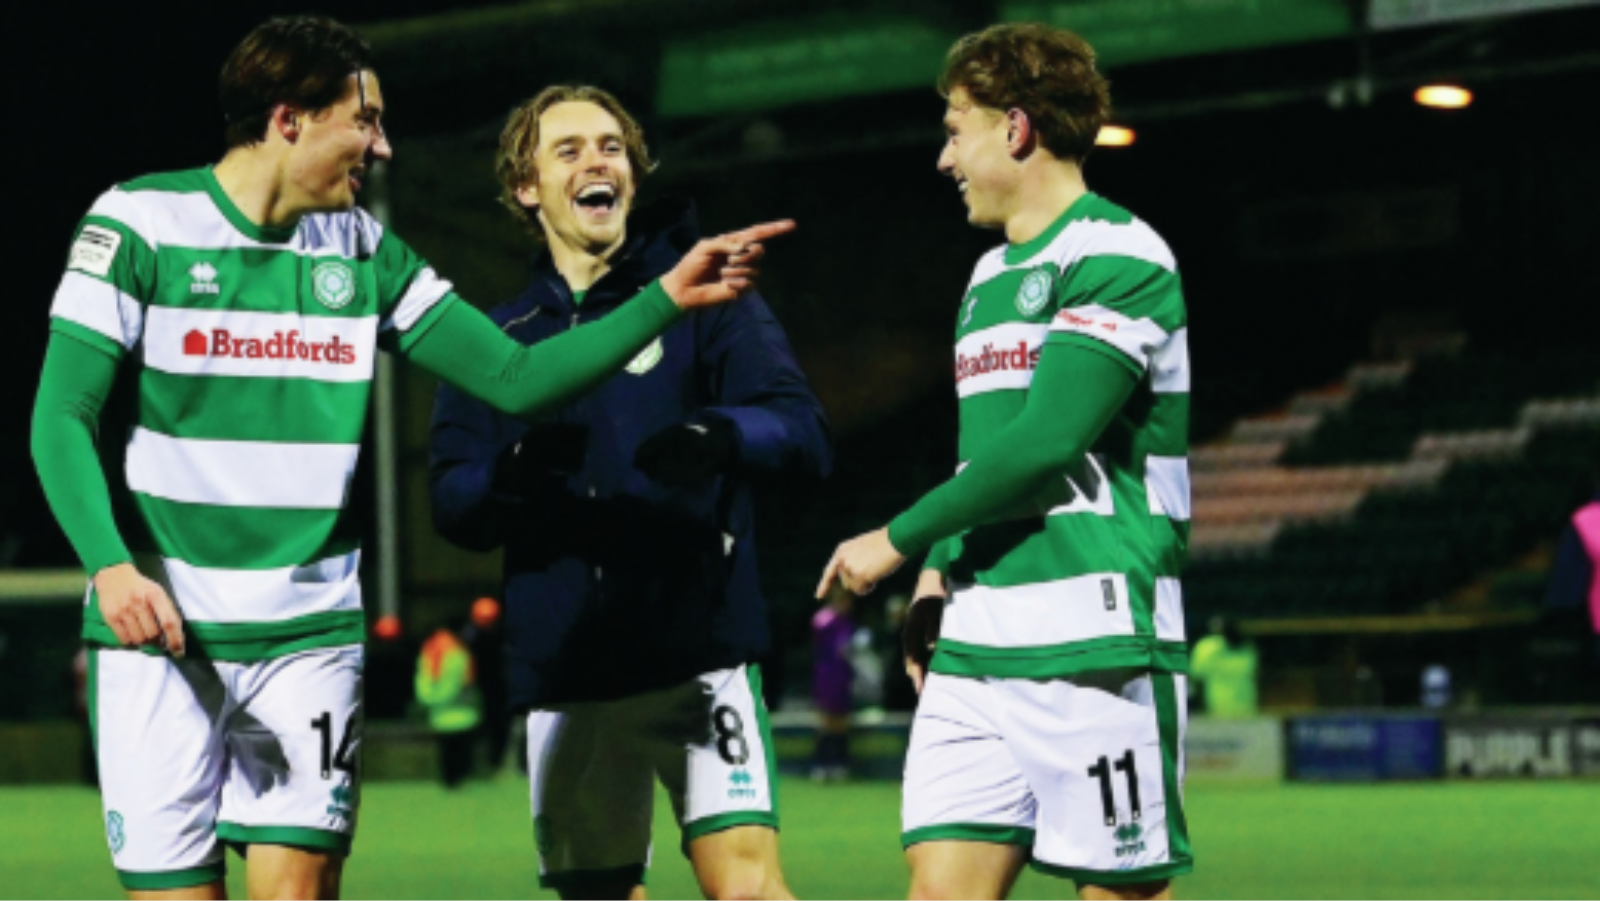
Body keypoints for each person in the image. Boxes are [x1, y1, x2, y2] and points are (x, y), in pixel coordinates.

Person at [29, 17, 791, 899]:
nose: (383, 147)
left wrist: (662, 297)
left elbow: (516, 375)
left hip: (306, 635)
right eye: (366, 120)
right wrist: (112, 567)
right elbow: (62, 416)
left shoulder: (361, 250)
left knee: (299, 889)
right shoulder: (138, 222)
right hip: (157, 636)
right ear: (289, 120)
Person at [817, 23, 1194, 900]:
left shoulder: (1119, 252)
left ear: (1015, 129)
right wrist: (941, 571)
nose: (944, 159)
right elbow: (980, 454)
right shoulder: (986, 276)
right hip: (978, 644)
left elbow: (1047, 441)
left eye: (955, 130)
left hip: (1095, 637)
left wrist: (899, 539)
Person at [428, 86, 831, 900]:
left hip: (700, 654)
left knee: (750, 887)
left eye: (611, 146)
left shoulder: (706, 300)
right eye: (568, 150)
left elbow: (802, 430)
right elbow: (450, 500)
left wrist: (721, 434)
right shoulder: (493, 339)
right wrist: (509, 477)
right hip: (570, 671)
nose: (596, 160)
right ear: (525, 187)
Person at [415, 621, 483, 788]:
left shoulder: (430, 652)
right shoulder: (458, 652)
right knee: (458, 752)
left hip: (442, 714)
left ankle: (451, 778)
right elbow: (461, 683)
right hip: (462, 714)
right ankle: (458, 777)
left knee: (448, 752)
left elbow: (423, 682)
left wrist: (430, 699)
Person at [811, 583, 856, 782]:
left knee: (842, 724)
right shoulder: (823, 620)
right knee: (826, 723)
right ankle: (821, 766)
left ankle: (840, 765)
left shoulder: (847, 623)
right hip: (826, 675)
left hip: (842, 676)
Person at [1189, 616, 1259, 718]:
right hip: (1244, 704)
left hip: (1221, 705)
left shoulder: (1206, 647)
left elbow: (1195, 677)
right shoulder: (1249, 648)